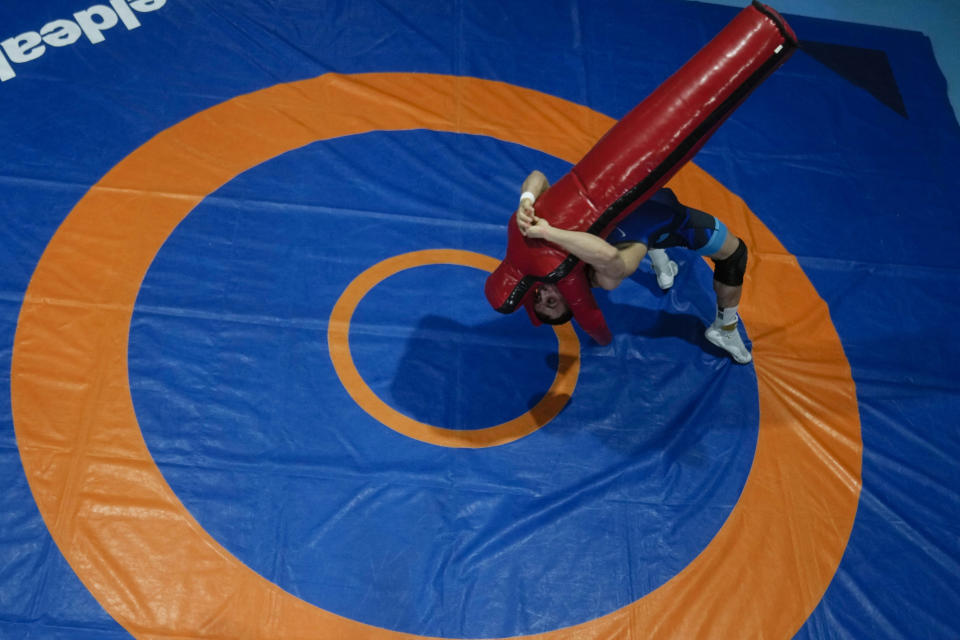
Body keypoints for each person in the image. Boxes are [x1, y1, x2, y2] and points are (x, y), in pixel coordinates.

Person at [515, 170, 752, 364]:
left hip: (637, 195)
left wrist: (526, 202)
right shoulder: (604, 277)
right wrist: (549, 232)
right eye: (551, 302)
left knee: (637, 231)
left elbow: (538, 177)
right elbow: (606, 254)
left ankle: (658, 256)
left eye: (538, 296)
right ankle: (725, 328)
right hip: (670, 221)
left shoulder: (553, 252)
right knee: (734, 255)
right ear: (573, 301)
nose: (545, 292)